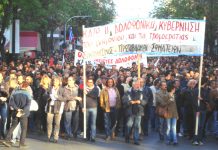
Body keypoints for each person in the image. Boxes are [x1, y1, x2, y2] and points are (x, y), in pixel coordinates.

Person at [5, 82, 31, 148]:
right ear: (26, 87)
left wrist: (17, 109)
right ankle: (21, 144)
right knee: (24, 129)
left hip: (15, 112)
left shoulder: (14, 92)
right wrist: (22, 110)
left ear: (21, 86)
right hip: (24, 114)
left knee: (13, 126)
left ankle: (7, 140)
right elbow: (28, 104)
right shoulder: (28, 94)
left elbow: (11, 102)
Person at [123, 79, 147, 145]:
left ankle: (136, 139)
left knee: (137, 126)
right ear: (133, 85)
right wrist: (129, 102)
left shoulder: (142, 92)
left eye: (138, 85)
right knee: (128, 125)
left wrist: (141, 102)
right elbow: (124, 100)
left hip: (139, 111)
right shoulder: (128, 92)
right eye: (136, 84)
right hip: (130, 111)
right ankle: (127, 137)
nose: (138, 86)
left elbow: (145, 100)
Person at [46, 76, 65, 143]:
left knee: (57, 123)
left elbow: (64, 98)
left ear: (59, 82)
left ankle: (55, 137)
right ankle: (48, 136)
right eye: (54, 81)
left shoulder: (62, 89)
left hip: (58, 108)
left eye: (56, 81)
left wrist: (58, 97)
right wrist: (49, 97)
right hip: (50, 106)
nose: (55, 82)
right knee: (49, 122)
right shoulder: (50, 88)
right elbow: (45, 96)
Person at [84, 77, 99, 142]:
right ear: (87, 82)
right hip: (86, 107)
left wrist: (87, 93)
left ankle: (93, 137)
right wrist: (82, 107)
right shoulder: (84, 88)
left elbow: (95, 95)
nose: (90, 83)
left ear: (93, 83)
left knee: (93, 123)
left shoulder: (96, 88)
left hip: (93, 107)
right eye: (88, 82)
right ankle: (87, 136)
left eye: (91, 82)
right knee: (86, 123)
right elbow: (82, 98)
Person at [0, 71, 9, 139]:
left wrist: (2, 90)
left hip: (3, 103)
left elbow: (7, 93)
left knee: (3, 119)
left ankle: (2, 133)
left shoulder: (5, 83)